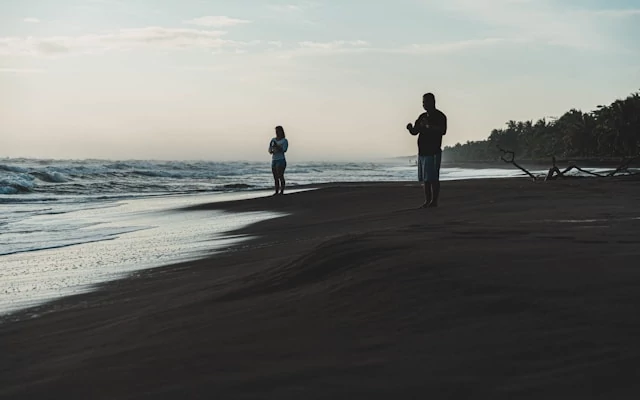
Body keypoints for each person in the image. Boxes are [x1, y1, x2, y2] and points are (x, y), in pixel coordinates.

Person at [406, 92, 447, 208]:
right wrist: (410, 129)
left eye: (426, 102)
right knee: (425, 179)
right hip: (423, 151)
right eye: (423, 102)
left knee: (433, 178)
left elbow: (443, 131)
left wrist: (429, 126)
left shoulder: (440, 116)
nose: (424, 104)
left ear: (433, 102)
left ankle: (434, 201)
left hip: (433, 151)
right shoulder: (422, 116)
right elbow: (415, 131)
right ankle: (427, 201)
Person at [268, 125, 289, 195]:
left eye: (278, 131)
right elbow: (269, 149)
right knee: (275, 177)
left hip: (281, 160)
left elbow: (284, 150)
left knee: (280, 175)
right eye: (276, 131)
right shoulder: (273, 140)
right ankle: (276, 191)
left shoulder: (284, 140)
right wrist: (271, 150)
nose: (277, 132)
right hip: (274, 159)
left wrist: (277, 146)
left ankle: (282, 191)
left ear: (281, 132)